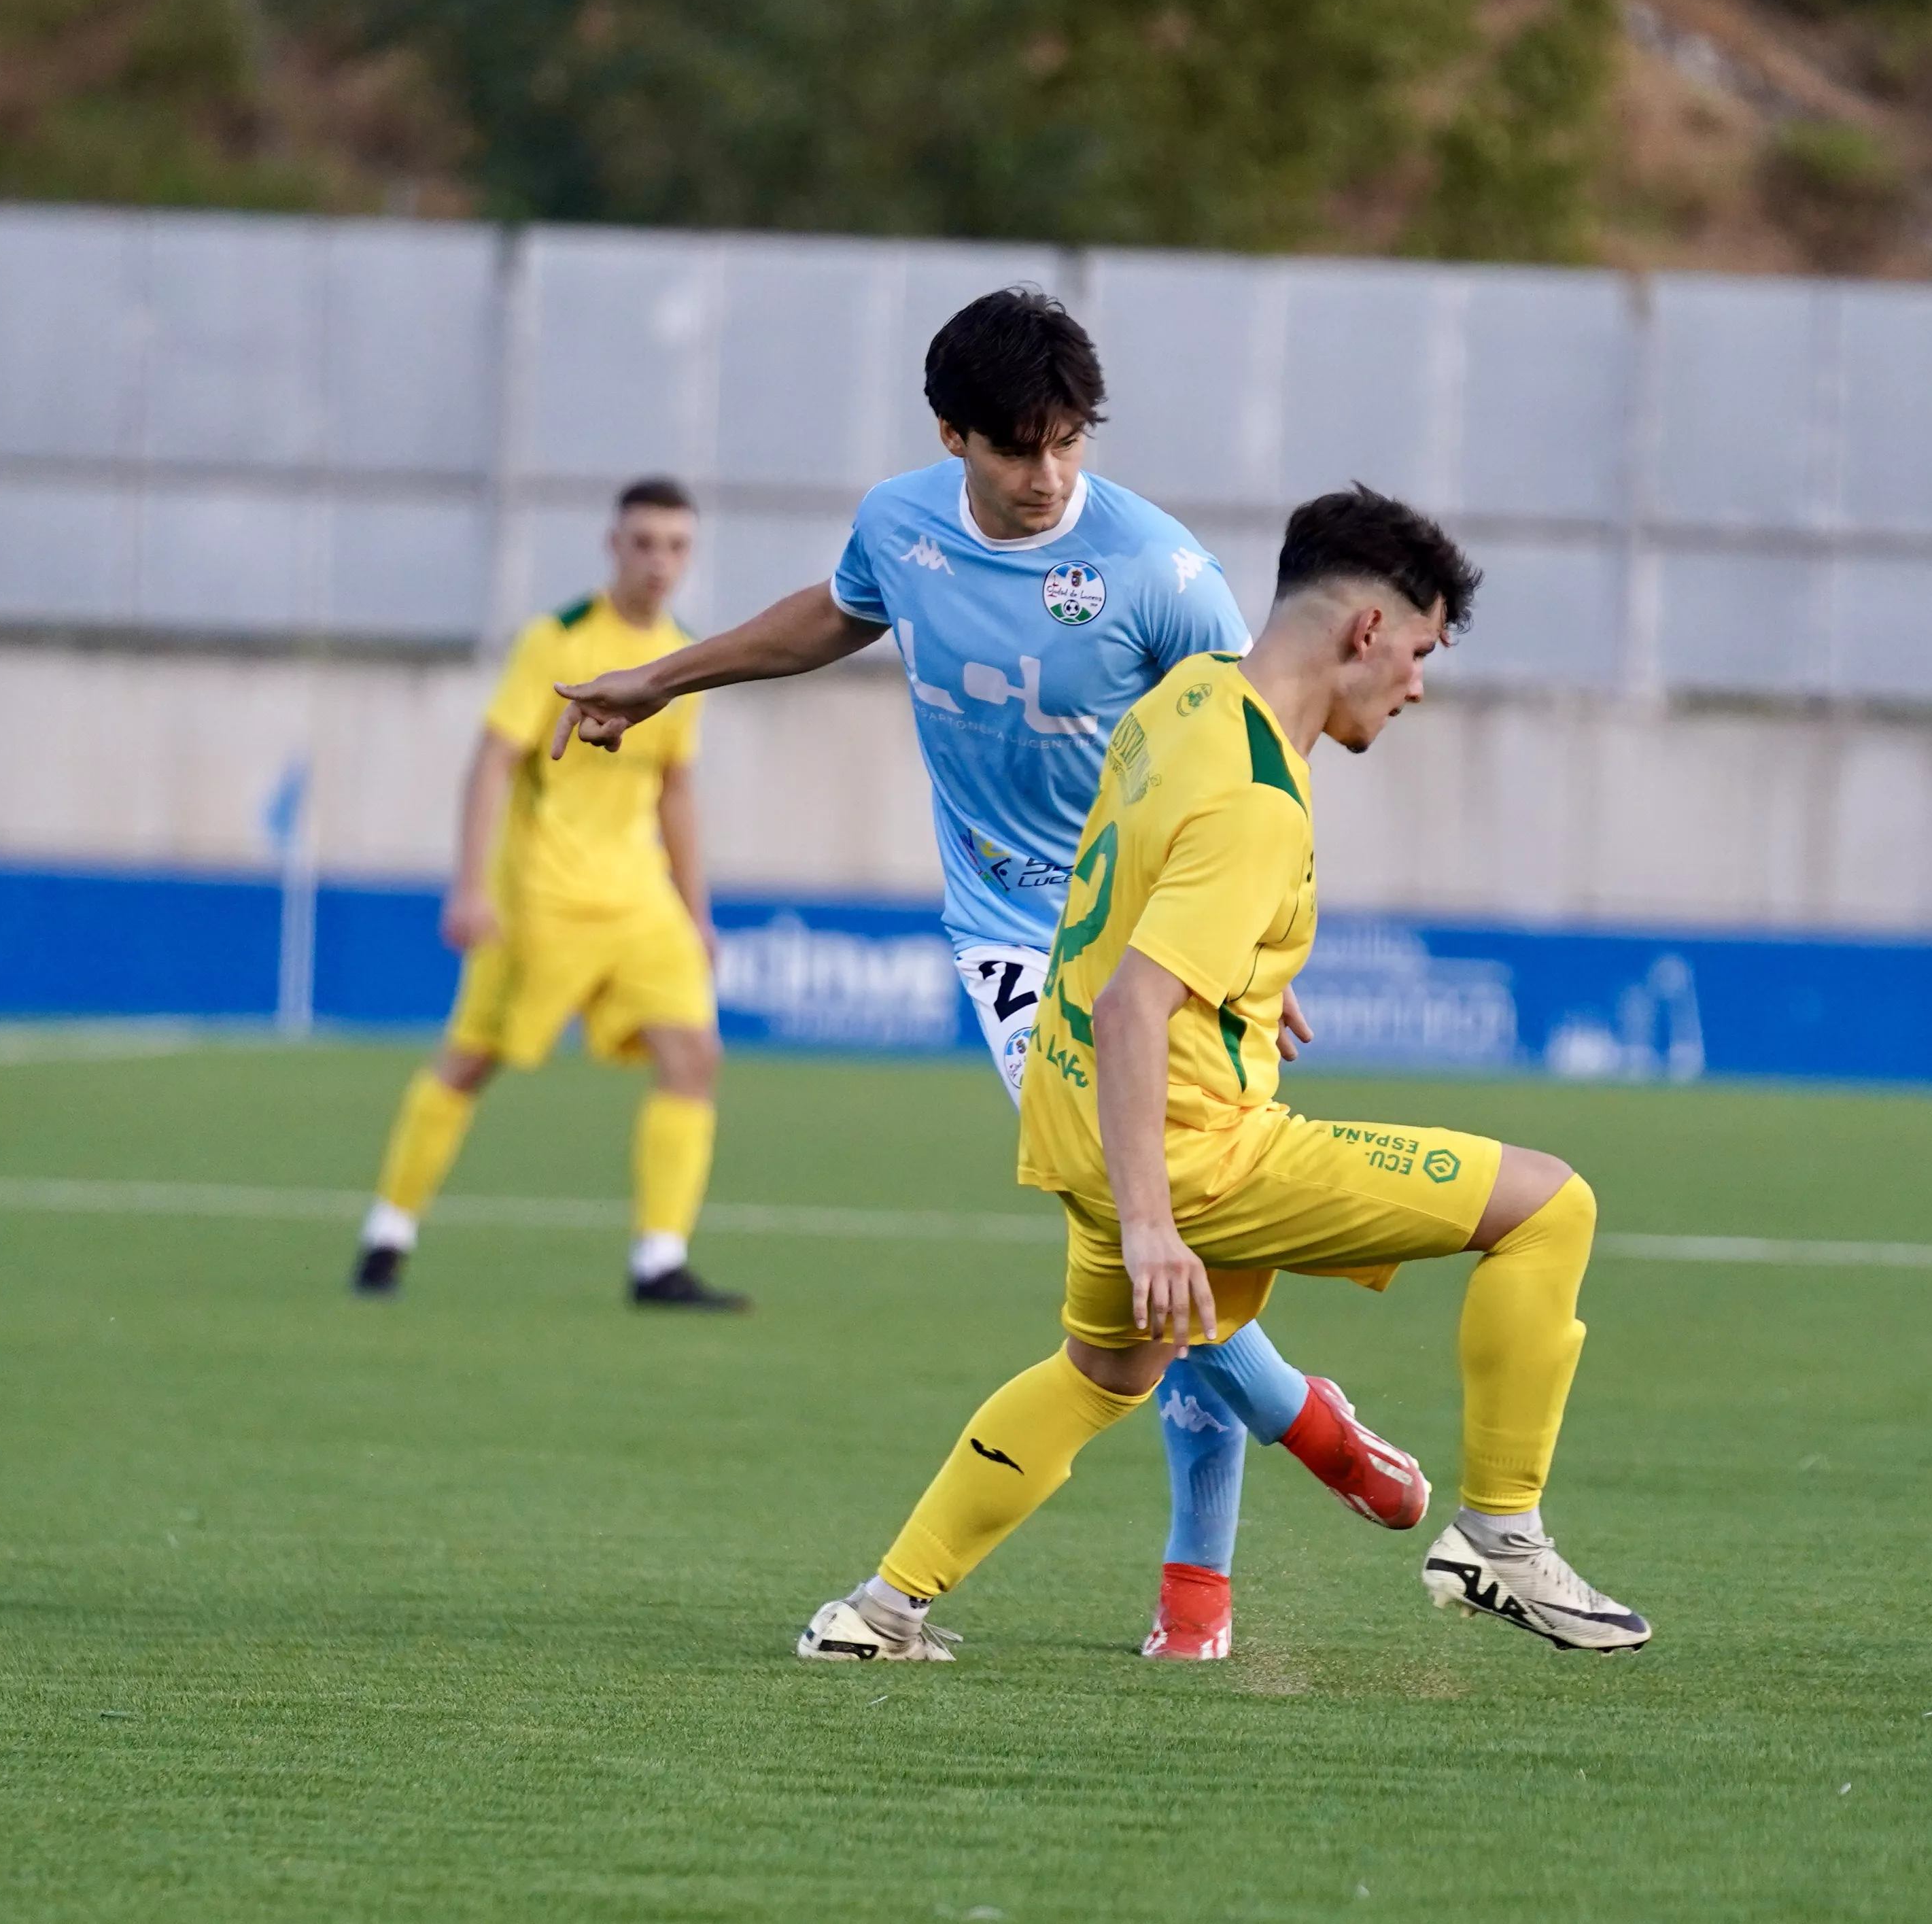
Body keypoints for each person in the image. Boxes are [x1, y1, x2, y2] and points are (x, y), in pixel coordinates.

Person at [535, 290, 1428, 1658]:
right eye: (1016, 446)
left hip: (1157, 941)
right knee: (1150, 1222)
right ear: (951, 434)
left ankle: (1208, 1575)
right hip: (1018, 946)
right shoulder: (900, 525)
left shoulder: (1163, 574)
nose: (1046, 474)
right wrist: (665, 678)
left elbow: (1265, 749)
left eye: (1068, 440)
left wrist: (1252, 939)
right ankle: (1293, 1452)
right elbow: (837, 616)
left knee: (1177, 1242)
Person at [740, 486, 1652, 1663]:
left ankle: (876, 1611)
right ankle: (1499, 1537)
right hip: (1191, 1149)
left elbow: (1119, 883)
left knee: (1103, 1371)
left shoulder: (1184, 698)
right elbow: (1135, 1005)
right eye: (1420, 652)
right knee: (1549, 1205)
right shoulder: (1260, 800)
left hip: (1074, 1120)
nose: (1420, 685)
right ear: (1365, 632)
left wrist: (1237, 976)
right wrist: (1156, 1220)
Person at [351, 477, 739, 1310]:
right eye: (643, 543)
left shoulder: (680, 659)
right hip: (541, 897)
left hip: (637, 900)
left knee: (694, 1055)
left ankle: (659, 1262)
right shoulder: (557, 641)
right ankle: (389, 1230)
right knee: (471, 1060)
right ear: (612, 546)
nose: (658, 562)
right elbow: (493, 760)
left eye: (675, 546)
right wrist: (468, 885)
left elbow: (676, 789)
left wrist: (697, 913)